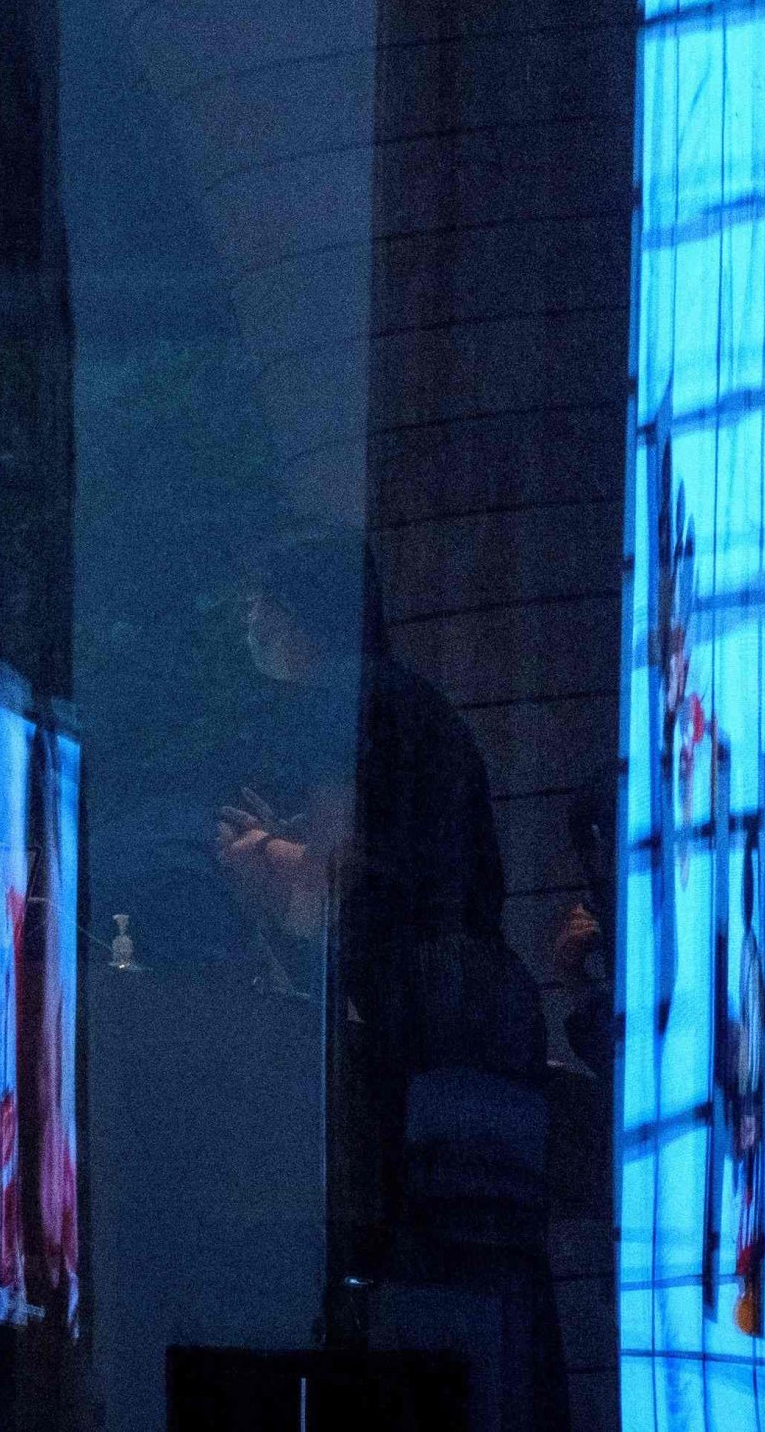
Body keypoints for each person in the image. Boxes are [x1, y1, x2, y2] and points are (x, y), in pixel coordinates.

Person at [214, 529, 563, 1425]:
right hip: (480, 1022)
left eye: (262, 596)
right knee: (486, 1293)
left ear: (303, 610)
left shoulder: (338, 700)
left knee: (413, 1296)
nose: (246, 615)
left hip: (422, 1035)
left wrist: (258, 860)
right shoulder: (419, 705)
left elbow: (330, 890)